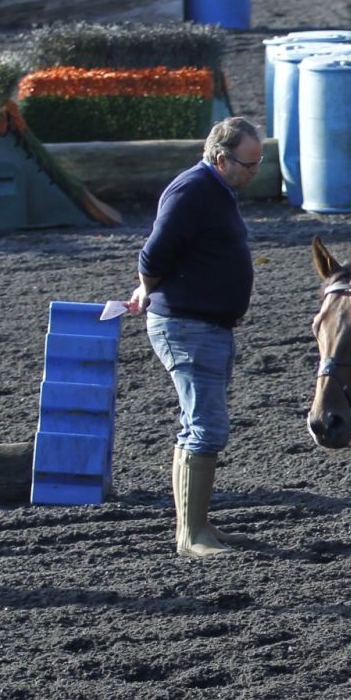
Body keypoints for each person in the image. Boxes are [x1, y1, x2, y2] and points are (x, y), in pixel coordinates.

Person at [126, 117, 263, 557]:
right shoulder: (193, 190)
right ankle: (192, 535)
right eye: (248, 165)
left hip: (206, 327)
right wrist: (147, 286)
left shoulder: (213, 190)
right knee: (206, 426)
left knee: (199, 425)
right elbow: (153, 253)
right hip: (187, 326)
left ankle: (197, 525)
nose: (253, 174)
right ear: (221, 159)